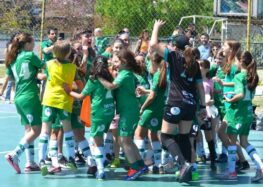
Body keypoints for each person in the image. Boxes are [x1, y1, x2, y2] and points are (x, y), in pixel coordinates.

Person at [150, 20, 206, 183]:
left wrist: (156, 28)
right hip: (190, 105)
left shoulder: (173, 56)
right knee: (183, 138)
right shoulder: (194, 63)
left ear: (175, 46)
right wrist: (202, 106)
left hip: (175, 101)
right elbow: (200, 88)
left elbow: (153, 45)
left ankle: (183, 164)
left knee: (165, 136)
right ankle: (188, 171)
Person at [98, 49, 148, 180]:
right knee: (126, 139)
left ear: (124, 62)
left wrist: (99, 77)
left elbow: (111, 86)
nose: (114, 64)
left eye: (117, 61)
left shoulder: (125, 73)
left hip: (128, 111)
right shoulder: (126, 73)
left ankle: (134, 167)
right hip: (129, 110)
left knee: (123, 139)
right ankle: (140, 164)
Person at [64, 56, 115, 180]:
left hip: (98, 113)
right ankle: (104, 158)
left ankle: (101, 170)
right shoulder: (111, 78)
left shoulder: (93, 80)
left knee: (97, 142)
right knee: (103, 137)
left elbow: (81, 96)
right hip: (109, 111)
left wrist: (68, 91)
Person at [1, 33, 44, 174]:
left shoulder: (13, 60)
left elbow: (11, 76)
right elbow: (45, 66)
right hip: (30, 96)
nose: (35, 45)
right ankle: (15, 154)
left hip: (18, 98)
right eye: (33, 42)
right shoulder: (30, 56)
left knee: (28, 130)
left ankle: (30, 162)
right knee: (36, 130)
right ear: (27, 44)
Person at [221, 51, 263, 181]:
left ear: (240, 62)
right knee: (244, 142)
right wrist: (226, 84)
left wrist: (230, 99)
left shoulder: (239, 76)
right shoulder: (253, 76)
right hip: (249, 112)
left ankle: (232, 171)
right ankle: (260, 165)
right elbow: (245, 91)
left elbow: (240, 94)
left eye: (236, 61)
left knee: (232, 142)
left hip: (237, 113)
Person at [38, 40, 77, 176]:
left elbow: (42, 73)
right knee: (67, 129)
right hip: (64, 101)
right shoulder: (72, 68)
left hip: (49, 99)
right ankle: (71, 158)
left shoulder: (49, 65)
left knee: (45, 130)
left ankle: (42, 160)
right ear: (68, 53)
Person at [134, 51, 166, 174]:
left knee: (139, 134)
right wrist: (146, 91)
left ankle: (139, 164)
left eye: (147, 62)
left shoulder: (157, 74)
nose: (146, 65)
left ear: (153, 62)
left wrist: (142, 108)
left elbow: (153, 96)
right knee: (153, 135)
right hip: (160, 109)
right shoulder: (164, 73)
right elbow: (155, 92)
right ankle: (159, 165)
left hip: (151, 109)